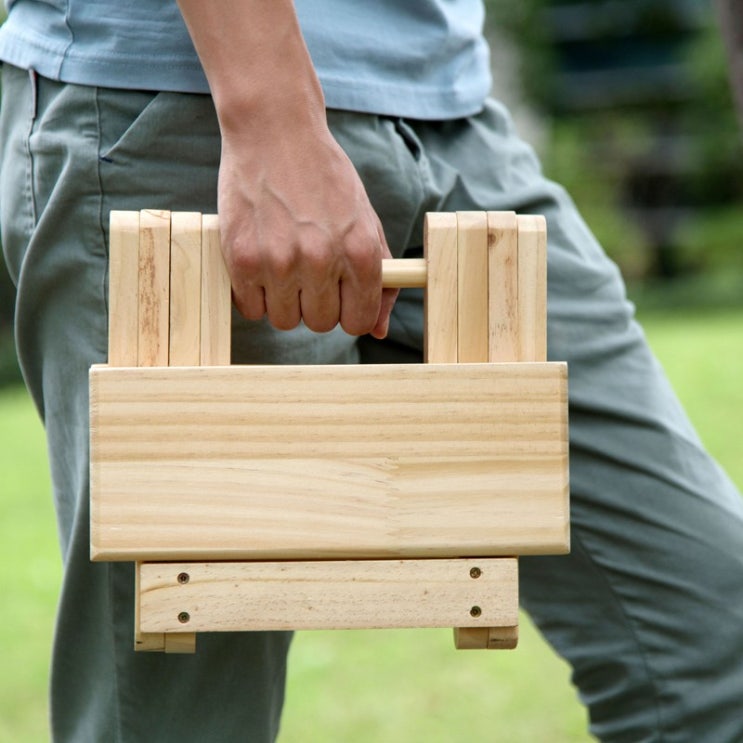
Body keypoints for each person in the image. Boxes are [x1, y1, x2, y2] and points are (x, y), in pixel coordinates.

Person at [1, 1, 742, 741]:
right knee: (182, 705)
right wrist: (269, 115)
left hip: (443, 104)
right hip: (194, 102)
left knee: (710, 637)